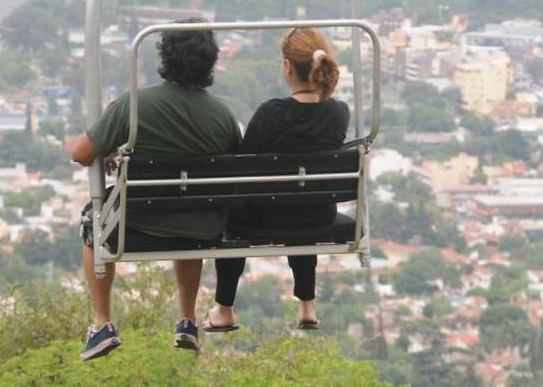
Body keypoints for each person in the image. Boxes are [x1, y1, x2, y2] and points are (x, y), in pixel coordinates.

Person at [70, 20, 241, 360]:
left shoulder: (136, 105)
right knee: (189, 206)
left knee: (93, 221)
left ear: (165, 56)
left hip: (138, 225)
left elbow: (81, 153)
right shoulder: (223, 116)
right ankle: (187, 319)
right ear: (210, 61)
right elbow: (232, 168)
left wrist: (112, 152)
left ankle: (102, 322)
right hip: (200, 229)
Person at [204, 28, 350, 333]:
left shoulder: (271, 114)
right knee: (303, 198)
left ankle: (225, 309)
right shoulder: (338, 113)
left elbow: (242, 169)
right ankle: (307, 305)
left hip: (262, 218)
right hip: (317, 215)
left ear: (286, 66)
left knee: (233, 216)